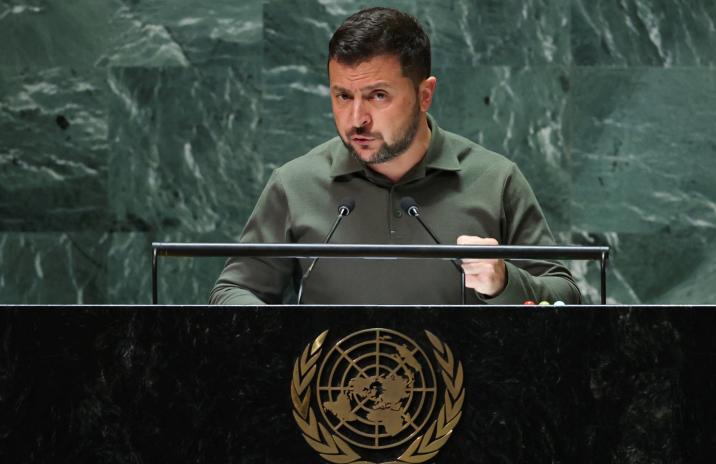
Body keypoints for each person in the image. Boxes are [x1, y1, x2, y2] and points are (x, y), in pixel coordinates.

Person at [209, 7, 580, 305]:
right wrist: (275, 335)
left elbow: (565, 296)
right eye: (343, 96)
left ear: (425, 95)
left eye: (378, 96)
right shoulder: (295, 184)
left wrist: (504, 283)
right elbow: (232, 292)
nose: (357, 119)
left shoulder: (496, 180)